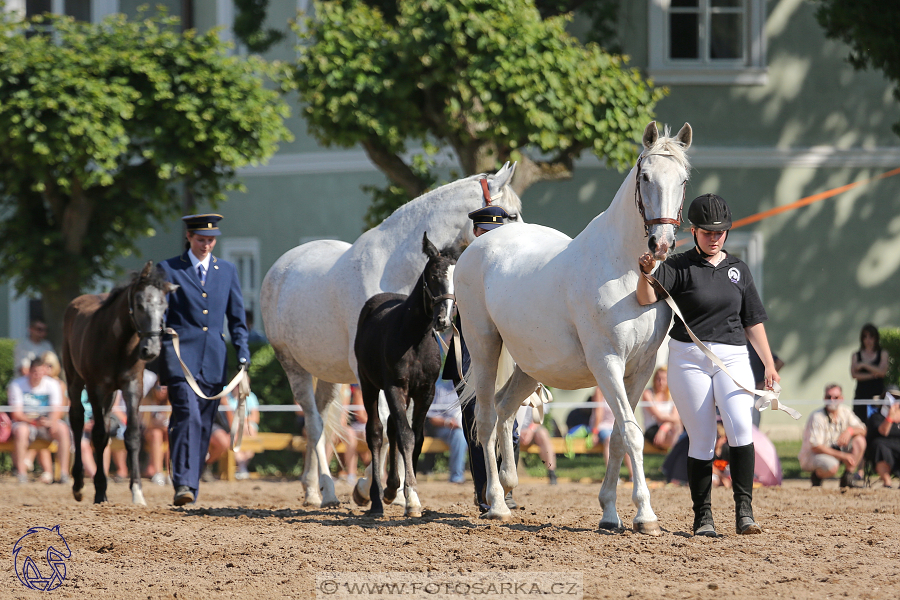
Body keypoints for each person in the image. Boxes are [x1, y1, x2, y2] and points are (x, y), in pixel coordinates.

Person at [637, 193, 778, 537]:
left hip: (732, 357)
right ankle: (704, 518)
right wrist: (645, 273)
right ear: (694, 230)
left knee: (741, 429)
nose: (715, 238)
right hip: (689, 359)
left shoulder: (738, 270)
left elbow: (753, 321)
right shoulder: (679, 266)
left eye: (720, 233)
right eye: (707, 232)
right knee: (700, 439)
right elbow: (645, 298)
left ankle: (744, 511)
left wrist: (769, 366)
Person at [157, 213, 251, 505]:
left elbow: (236, 318)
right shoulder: (169, 269)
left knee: (203, 424)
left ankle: (190, 486)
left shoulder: (227, 270)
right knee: (187, 416)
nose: (206, 245)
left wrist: (243, 352)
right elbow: (160, 315)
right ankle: (183, 482)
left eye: (211, 240)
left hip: (213, 360)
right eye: (201, 240)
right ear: (189, 237)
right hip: (180, 360)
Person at [442, 205, 520, 513]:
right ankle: (485, 492)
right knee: (475, 421)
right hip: (471, 353)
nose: (492, 239)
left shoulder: (511, 263)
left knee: (511, 421)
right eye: (487, 233)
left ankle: (506, 485)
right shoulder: (463, 264)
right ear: (476, 233)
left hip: (510, 353)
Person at [8, 354, 71, 484]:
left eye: (41, 372)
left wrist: (51, 421)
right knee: (21, 431)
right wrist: (33, 422)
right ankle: (21, 473)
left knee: (63, 429)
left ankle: (64, 474)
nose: (38, 375)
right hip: (25, 422)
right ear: (29, 372)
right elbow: (16, 413)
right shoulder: (16, 384)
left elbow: (57, 409)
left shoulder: (54, 384)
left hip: (45, 422)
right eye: (35, 372)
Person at [798, 383, 866, 488]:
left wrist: (850, 431)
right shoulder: (817, 417)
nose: (832, 400)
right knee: (832, 466)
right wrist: (844, 456)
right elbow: (816, 447)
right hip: (814, 456)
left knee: (860, 441)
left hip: (836, 451)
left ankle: (847, 478)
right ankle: (817, 477)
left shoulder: (845, 411)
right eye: (828, 397)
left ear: (841, 398)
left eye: (836, 397)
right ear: (824, 398)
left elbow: (863, 429)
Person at [426, 378, 467, 484]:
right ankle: (456, 476)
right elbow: (432, 418)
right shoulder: (440, 389)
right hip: (445, 429)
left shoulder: (470, 389)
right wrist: (448, 422)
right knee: (459, 436)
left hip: (466, 428)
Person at [850, 323, 888, 423]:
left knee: (877, 423)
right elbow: (854, 375)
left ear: (876, 338)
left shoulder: (883, 353)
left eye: (871, 337)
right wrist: (873, 375)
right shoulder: (856, 355)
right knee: (859, 423)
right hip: (861, 395)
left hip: (877, 395)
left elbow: (882, 372)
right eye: (865, 337)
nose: (868, 340)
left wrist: (864, 365)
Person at [641, 367, 683, 451]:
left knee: (678, 428)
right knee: (678, 431)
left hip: (668, 428)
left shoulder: (672, 394)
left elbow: (676, 418)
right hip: (652, 428)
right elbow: (659, 416)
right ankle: (674, 457)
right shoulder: (648, 393)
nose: (661, 382)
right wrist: (668, 422)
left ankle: (674, 456)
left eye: (664, 379)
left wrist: (664, 427)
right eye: (658, 379)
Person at [515, 404, 557, 485]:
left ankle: (551, 473)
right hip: (513, 428)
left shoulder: (537, 392)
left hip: (531, 430)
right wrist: (518, 431)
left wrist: (530, 430)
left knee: (543, 434)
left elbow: (539, 416)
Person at [866, 388, 900, 488]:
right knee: (879, 447)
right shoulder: (876, 417)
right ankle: (887, 482)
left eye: (897, 398)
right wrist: (890, 417)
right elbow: (884, 432)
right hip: (882, 448)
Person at [747, 342, 784, 427]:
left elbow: (779, 362)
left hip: (755, 391)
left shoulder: (756, 347)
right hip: (740, 389)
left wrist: (764, 382)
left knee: (754, 425)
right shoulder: (737, 346)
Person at [142, 383, 171, 486]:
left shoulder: (171, 403)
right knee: (156, 434)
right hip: (149, 434)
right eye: (159, 388)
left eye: (165, 388)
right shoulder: (147, 401)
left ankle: (169, 472)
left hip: (166, 434)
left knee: (170, 434)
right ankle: (158, 472)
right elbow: (145, 423)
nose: (162, 391)